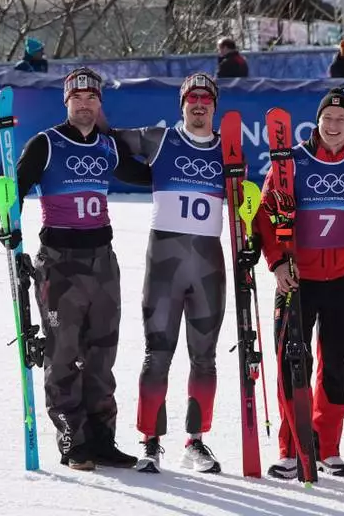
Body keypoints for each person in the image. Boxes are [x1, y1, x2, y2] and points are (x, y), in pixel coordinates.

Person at [5, 68, 151, 471]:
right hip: (60, 262)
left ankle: (102, 439)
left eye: (91, 98)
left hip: (103, 259)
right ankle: (73, 440)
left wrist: (182, 161)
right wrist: (8, 225)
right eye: (77, 98)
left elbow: (145, 175)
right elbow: (13, 190)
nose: (84, 104)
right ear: (66, 103)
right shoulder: (46, 144)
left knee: (102, 354)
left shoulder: (107, 145)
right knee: (64, 353)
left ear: (99, 103)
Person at [252, 87, 344, 479]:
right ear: (318, 120)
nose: (334, 125)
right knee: (294, 360)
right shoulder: (291, 162)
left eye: (342, 119)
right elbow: (266, 214)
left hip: (342, 276)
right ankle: (292, 447)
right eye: (328, 118)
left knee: (336, 364)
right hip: (297, 277)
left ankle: (328, 446)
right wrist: (276, 263)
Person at [107, 73, 229, 474]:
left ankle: (195, 442)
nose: (198, 105)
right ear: (182, 105)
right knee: (157, 355)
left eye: (205, 99)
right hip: (164, 267)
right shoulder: (158, 140)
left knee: (205, 358)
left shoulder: (227, 151)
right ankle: (150, 441)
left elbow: (250, 201)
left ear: (214, 106)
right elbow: (106, 139)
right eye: (191, 98)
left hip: (209, 268)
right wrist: (144, 175)